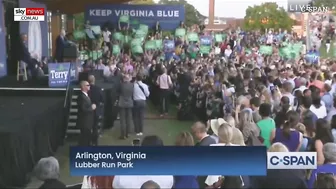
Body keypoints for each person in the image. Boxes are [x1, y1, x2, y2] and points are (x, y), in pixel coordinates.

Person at [77, 80, 95, 146]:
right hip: (84, 122)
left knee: (87, 138)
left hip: (88, 121)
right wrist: (91, 108)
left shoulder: (86, 96)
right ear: (83, 87)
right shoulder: (81, 97)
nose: (89, 86)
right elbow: (83, 109)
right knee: (84, 139)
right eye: (88, 85)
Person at [88, 75, 104, 146]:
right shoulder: (98, 89)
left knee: (88, 127)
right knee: (95, 127)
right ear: (94, 80)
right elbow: (102, 99)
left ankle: (89, 142)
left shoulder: (86, 90)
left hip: (87, 112)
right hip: (96, 111)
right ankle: (95, 142)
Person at [118, 74, 134, 140]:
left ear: (124, 79)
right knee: (128, 119)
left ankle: (123, 135)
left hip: (122, 103)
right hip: (129, 103)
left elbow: (118, 92)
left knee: (122, 120)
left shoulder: (121, 85)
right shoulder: (132, 85)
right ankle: (128, 133)